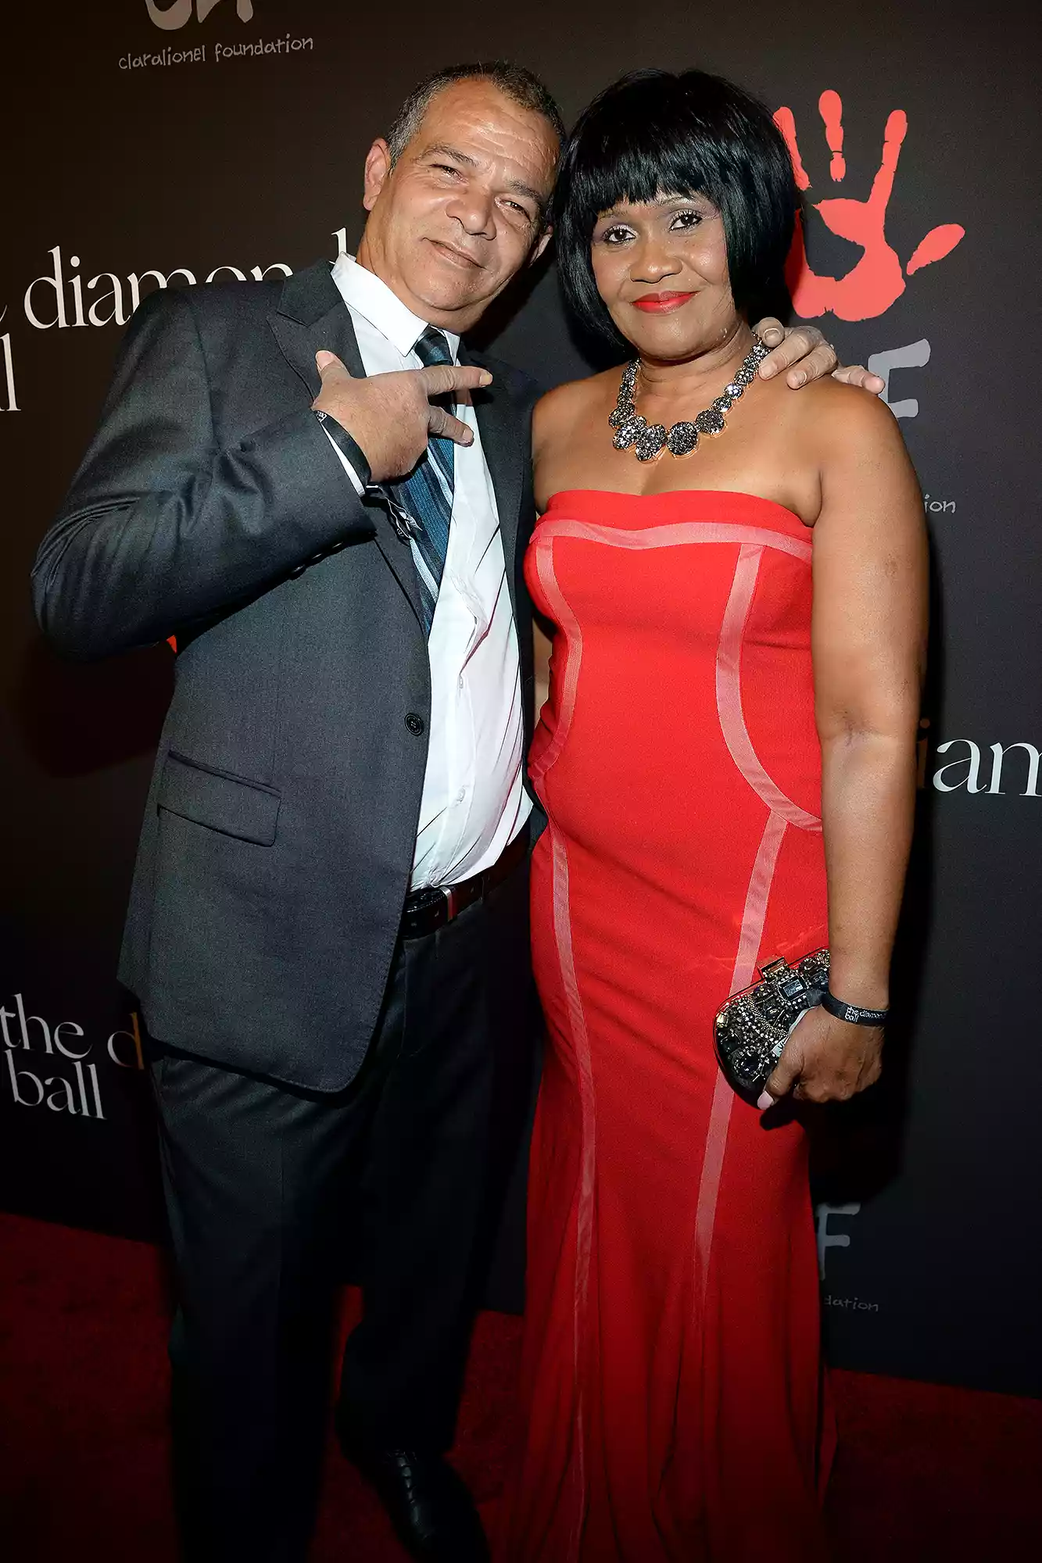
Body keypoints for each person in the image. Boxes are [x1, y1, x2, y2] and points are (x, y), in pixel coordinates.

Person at [32, 60, 869, 1563]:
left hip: (485, 941)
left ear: (542, 246)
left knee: (430, 1264)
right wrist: (332, 451)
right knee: (246, 1339)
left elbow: (681, 428)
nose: (479, 220)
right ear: (376, 169)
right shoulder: (218, 338)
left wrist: (784, 350)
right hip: (263, 942)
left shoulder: (530, 406)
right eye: (448, 173)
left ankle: (402, 1435)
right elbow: (80, 589)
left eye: (520, 204)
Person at [499, 68, 927, 1563]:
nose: (651, 259)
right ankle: (588, 1503)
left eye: (684, 215)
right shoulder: (554, 422)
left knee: (717, 1232)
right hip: (576, 905)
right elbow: (548, 659)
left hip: (749, 921)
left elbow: (870, 730)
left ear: (747, 219)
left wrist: (857, 992)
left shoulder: (837, 428)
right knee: (596, 1209)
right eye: (613, 230)